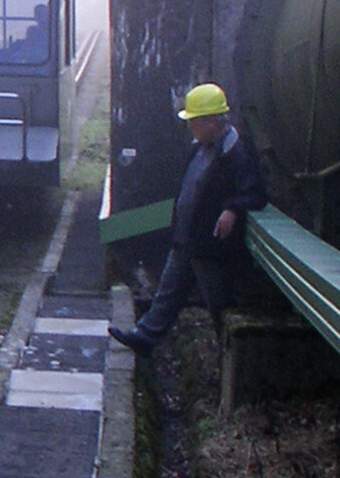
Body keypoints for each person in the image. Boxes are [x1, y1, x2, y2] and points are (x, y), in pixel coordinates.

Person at [108, 82, 267, 355]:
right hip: (186, 238)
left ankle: (227, 352)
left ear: (211, 122)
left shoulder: (235, 154)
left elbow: (255, 194)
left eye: (194, 121)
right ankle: (145, 336)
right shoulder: (200, 148)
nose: (190, 126)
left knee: (218, 303)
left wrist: (231, 209)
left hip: (209, 246)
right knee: (167, 294)